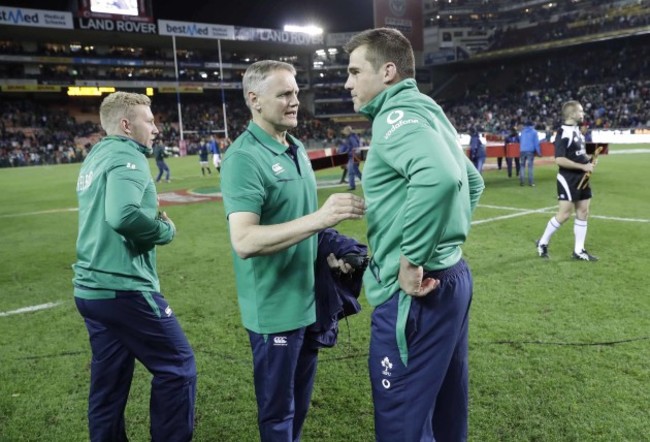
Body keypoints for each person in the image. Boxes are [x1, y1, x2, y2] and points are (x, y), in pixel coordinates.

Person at [343, 28, 485, 442]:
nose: (347, 83)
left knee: (401, 420)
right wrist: (442, 245)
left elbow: (441, 178)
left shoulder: (394, 118)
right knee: (445, 412)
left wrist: (412, 259)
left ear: (387, 71)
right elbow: (471, 183)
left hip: (415, 294)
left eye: (354, 71)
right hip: (452, 278)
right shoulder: (427, 108)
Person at [219, 60, 366, 442]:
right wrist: (321, 219)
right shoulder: (243, 159)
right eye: (284, 94)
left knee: (298, 409)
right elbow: (245, 241)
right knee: (278, 415)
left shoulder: (296, 146)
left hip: (308, 301)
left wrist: (332, 250)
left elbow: (299, 225)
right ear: (254, 100)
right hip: (273, 312)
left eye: (296, 92)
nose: (295, 101)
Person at [72, 91, 197, 441]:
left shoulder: (97, 156)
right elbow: (122, 215)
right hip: (123, 286)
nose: (156, 128)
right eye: (149, 120)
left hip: (90, 288)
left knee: (108, 385)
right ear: (126, 125)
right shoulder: (128, 156)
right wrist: (163, 229)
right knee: (178, 366)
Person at [536, 100, 598, 261]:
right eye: (580, 111)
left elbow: (578, 153)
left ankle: (579, 250)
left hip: (582, 177)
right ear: (571, 114)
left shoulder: (577, 131)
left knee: (583, 211)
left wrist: (589, 162)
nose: (583, 114)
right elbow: (559, 159)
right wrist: (583, 166)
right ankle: (542, 242)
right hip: (568, 178)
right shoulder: (562, 132)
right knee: (564, 215)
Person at [337, 125, 363, 190]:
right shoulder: (352, 137)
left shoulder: (351, 137)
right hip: (355, 156)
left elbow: (355, 146)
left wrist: (349, 152)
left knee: (351, 171)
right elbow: (352, 147)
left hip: (353, 156)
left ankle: (352, 186)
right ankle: (364, 182)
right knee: (356, 171)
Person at [519, 120, 542, 186]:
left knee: (522, 166)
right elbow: (536, 143)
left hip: (522, 150)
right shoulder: (534, 132)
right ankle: (531, 182)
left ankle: (522, 182)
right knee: (530, 167)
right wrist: (539, 153)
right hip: (530, 151)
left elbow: (520, 140)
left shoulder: (522, 132)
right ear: (532, 125)